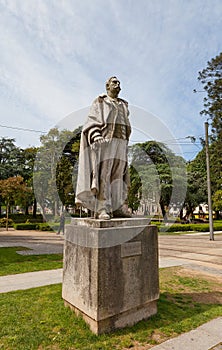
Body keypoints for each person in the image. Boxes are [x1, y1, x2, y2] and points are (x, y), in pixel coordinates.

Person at [75, 77, 131, 220]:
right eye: (114, 82)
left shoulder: (124, 104)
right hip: (106, 141)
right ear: (107, 86)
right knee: (104, 175)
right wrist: (95, 135)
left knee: (118, 175)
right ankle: (102, 208)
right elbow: (92, 120)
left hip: (122, 142)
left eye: (119, 83)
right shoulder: (100, 101)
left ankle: (117, 207)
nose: (118, 85)